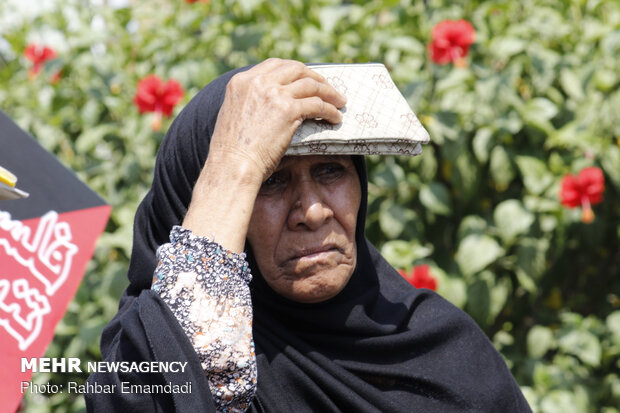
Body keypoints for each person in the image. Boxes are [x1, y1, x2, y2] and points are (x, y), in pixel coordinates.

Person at [87, 58, 531, 412]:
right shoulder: (143, 358)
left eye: (330, 170)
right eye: (270, 182)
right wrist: (236, 164)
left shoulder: (442, 350)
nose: (313, 211)